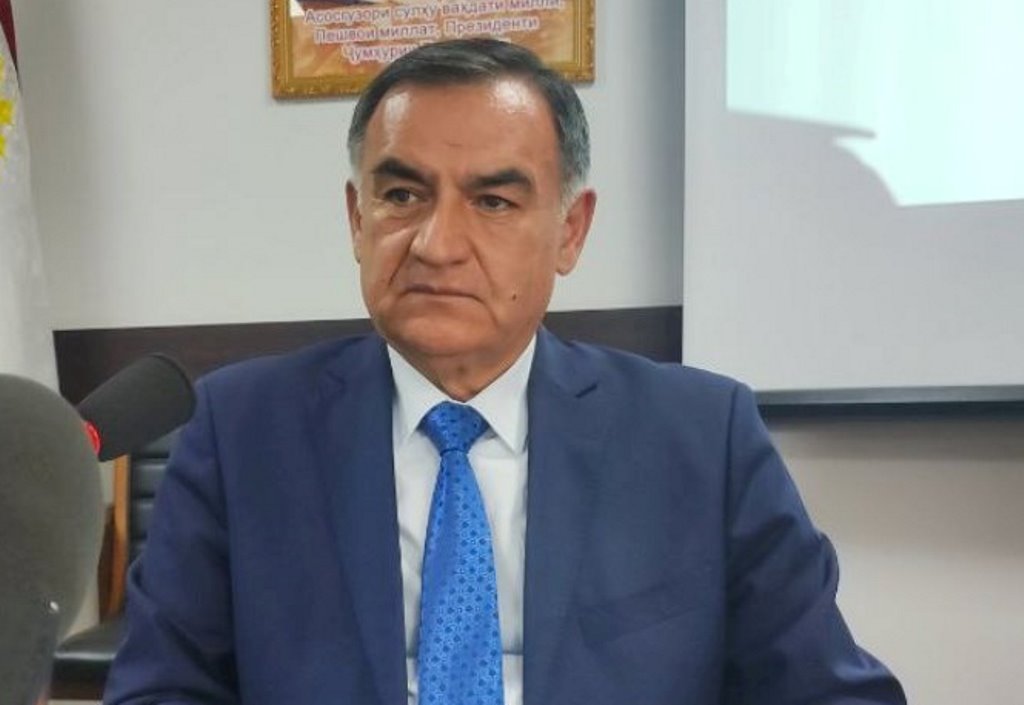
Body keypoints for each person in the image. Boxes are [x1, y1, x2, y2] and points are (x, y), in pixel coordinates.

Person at [104, 39, 905, 704]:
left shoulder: (702, 435)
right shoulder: (240, 430)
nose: (436, 244)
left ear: (570, 231)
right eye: (402, 194)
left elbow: (828, 690)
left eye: (493, 202)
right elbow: (160, 687)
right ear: (357, 219)